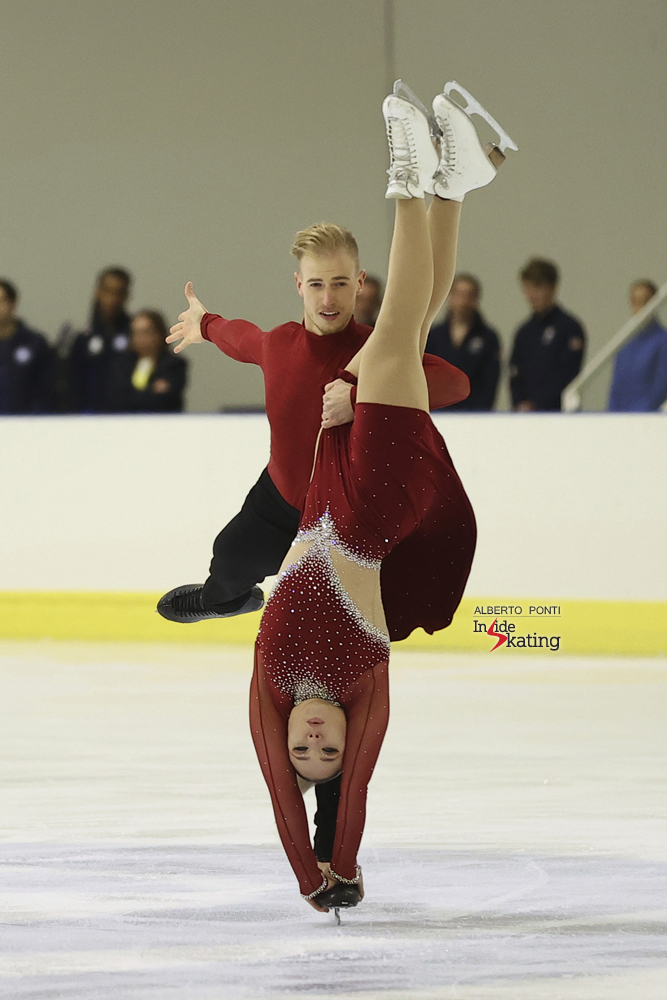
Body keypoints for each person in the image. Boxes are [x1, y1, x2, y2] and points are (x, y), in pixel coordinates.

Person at [248, 80, 516, 912]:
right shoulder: (364, 680)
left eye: (306, 752)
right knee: (400, 325)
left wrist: (306, 866)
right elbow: (351, 795)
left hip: (337, 480)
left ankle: (449, 186)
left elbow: (287, 805)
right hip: (381, 506)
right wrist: (340, 869)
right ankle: (411, 175)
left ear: (285, 741)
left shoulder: (270, 678)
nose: (319, 743)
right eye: (331, 754)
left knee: (414, 322)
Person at [157, 242, 470, 624]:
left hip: (346, 510)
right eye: (317, 284)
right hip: (280, 499)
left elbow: (455, 383)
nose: (328, 297)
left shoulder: (379, 351)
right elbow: (242, 339)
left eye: (339, 284)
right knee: (228, 560)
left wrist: (359, 398)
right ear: (299, 285)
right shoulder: (280, 344)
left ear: (359, 283)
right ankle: (221, 601)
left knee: (328, 614)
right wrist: (206, 325)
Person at [509, 258, 586, 411]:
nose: (531, 295)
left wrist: (540, 405)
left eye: (537, 287)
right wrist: (520, 402)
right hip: (524, 416)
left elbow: (568, 375)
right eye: (527, 288)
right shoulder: (524, 332)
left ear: (553, 288)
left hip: (557, 414)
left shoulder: (569, 328)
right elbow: (515, 374)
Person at [425, 272, 500, 410]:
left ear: (476, 299)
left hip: (475, 412)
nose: (463, 301)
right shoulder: (435, 336)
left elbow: (490, 380)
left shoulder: (488, 337)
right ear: (450, 297)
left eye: (469, 296)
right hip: (440, 412)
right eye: (459, 295)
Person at [65, 267, 133, 412]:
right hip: (89, 419)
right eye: (107, 291)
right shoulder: (83, 338)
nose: (112, 299)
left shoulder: (134, 335)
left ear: (126, 296)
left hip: (127, 418)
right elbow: (73, 386)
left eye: (118, 293)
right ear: (97, 292)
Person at [108, 310, 188, 412]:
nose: (140, 338)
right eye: (135, 333)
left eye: (145, 332)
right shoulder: (121, 364)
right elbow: (117, 398)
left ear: (159, 334)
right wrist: (151, 391)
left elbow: (164, 400)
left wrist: (134, 395)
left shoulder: (174, 364)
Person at [608, 280, 667, 412]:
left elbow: (660, 388)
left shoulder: (663, 341)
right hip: (620, 418)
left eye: (645, 301)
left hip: (647, 419)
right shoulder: (625, 341)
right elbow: (616, 388)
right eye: (635, 302)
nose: (640, 308)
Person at [0, 279, 55, 414]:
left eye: (1, 301)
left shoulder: (34, 342)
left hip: (27, 423)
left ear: (13, 304)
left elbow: (46, 388)